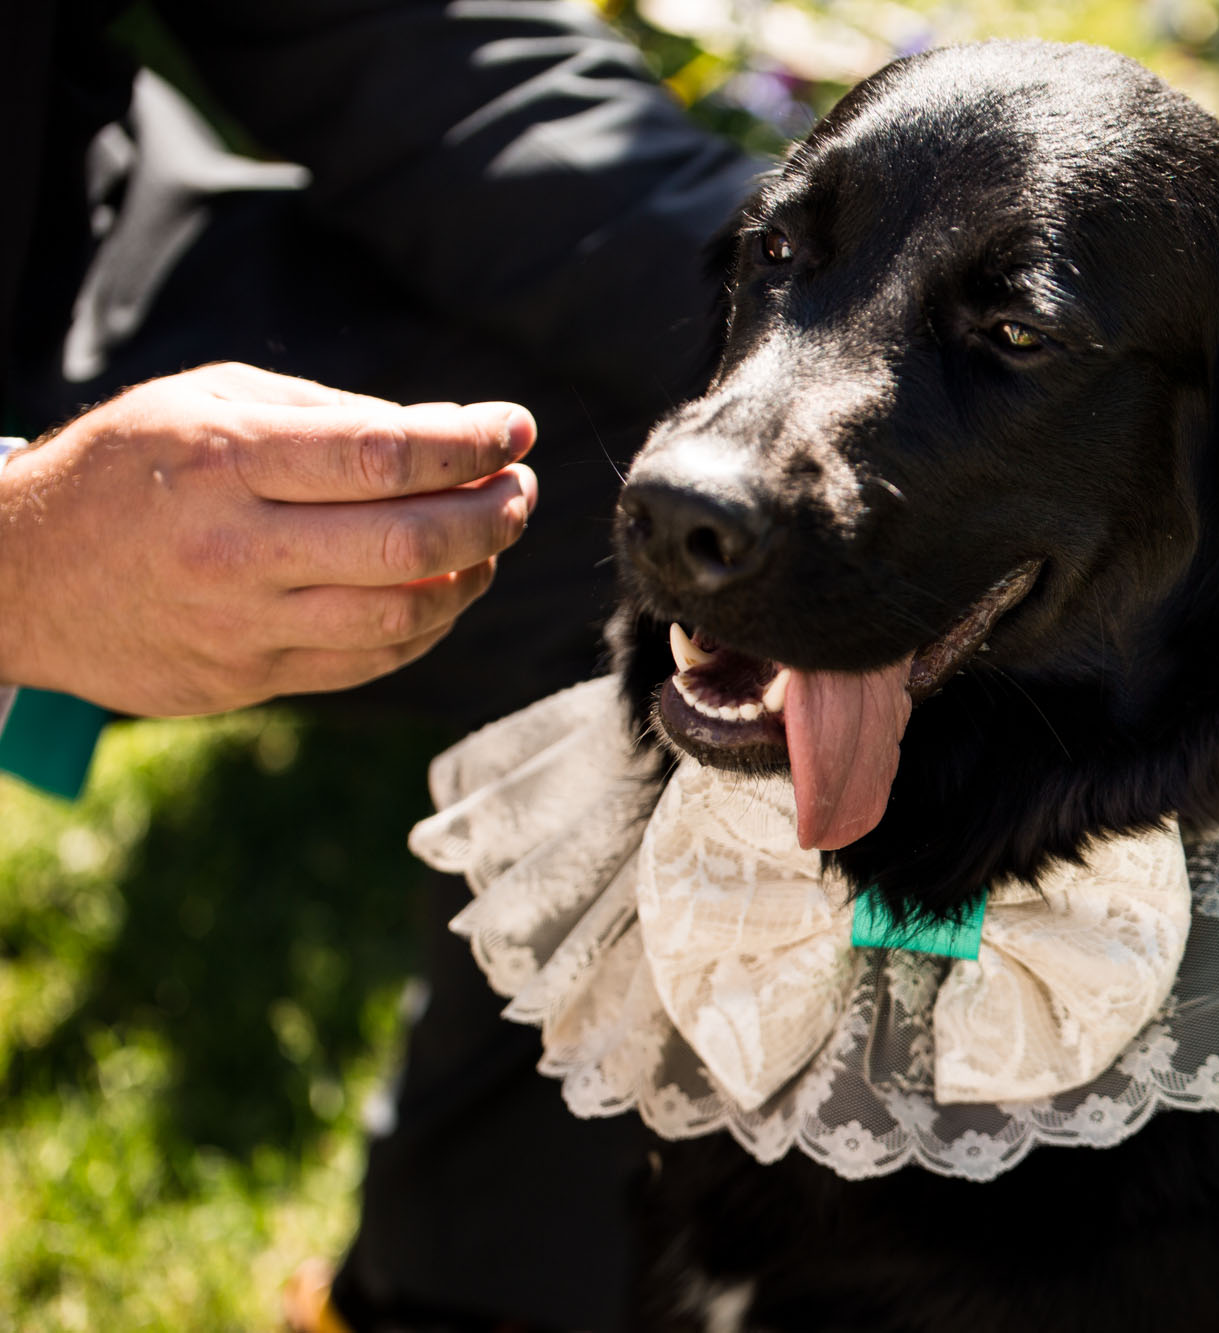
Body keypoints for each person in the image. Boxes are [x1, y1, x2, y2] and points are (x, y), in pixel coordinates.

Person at [2, 2, 763, 1329]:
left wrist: (830, 304)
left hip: (59, 286)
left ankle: (457, 1299)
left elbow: (384, 29)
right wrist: (17, 564)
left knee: (674, 501)